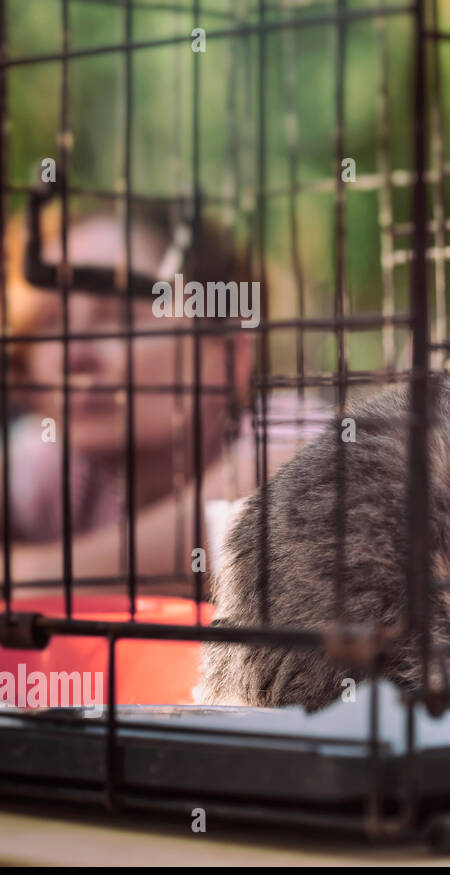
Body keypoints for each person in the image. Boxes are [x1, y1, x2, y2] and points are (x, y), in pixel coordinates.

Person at [3, 193, 328, 598]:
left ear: (228, 353)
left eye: (121, 316)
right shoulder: (49, 468)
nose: (74, 353)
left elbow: (303, 478)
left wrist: (32, 577)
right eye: (51, 322)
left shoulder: (280, 431)